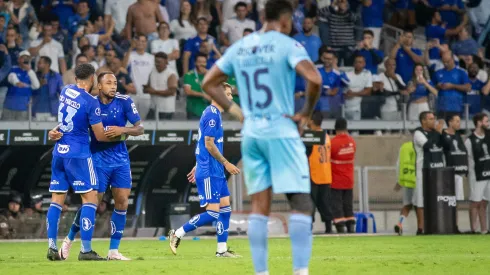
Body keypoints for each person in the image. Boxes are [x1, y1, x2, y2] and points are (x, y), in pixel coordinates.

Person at [201, 0, 322, 273]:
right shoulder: (286, 44)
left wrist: (235, 110)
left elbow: (208, 82)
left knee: (259, 206)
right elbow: (314, 79)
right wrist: (305, 113)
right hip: (281, 130)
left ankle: (261, 272)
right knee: (301, 202)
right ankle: (301, 271)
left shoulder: (240, 47)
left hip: (252, 133)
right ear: (286, 20)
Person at [50, 71, 144, 260]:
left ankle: (113, 251)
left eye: (115, 83)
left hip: (120, 160)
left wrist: (123, 130)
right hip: (96, 159)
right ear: (98, 86)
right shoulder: (90, 102)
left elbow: (140, 128)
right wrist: (54, 131)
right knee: (91, 203)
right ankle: (69, 241)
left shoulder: (125, 101)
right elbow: (72, 124)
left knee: (122, 202)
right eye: (109, 83)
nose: (113, 86)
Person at [45, 63, 113, 261]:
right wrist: (124, 133)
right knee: (91, 199)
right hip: (79, 154)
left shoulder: (65, 91)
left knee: (56, 200)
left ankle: (51, 246)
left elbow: (67, 120)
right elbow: (100, 136)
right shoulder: (91, 102)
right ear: (92, 79)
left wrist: (53, 131)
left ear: (76, 78)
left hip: (60, 151)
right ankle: (85, 250)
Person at [168, 83, 241, 257]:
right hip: (210, 171)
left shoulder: (215, 114)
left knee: (225, 209)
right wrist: (225, 163)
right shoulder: (211, 115)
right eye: (228, 95)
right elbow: (208, 144)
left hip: (213, 169)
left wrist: (197, 163)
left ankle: (221, 250)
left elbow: (203, 144)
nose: (231, 98)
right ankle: (178, 233)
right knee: (213, 213)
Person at [412, 111, 444, 235]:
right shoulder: (418, 133)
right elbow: (428, 145)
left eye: (434, 118)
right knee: (420, 200)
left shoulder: (436, 133)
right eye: (430, 119)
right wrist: (438, 131)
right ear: (423, 121)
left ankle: (435, 225)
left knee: (435, 199)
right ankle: (421, 228)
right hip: (423, 171)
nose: (434, 121)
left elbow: (445, 145)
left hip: (437, 169)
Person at [306, 111, 333, 233]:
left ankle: (308, 229)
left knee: (310, 205)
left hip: (314, 174)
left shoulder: (311, 137)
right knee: (325, 205)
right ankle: (329, 229)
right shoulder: (326, 136)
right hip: (326, 175)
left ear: (311, 121)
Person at [441, 114, 467, 232]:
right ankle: (446, 225)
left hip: (459, 172)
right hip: (448, 172)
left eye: (459, 121)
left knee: (456, 202)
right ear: (450, 122)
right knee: (447, 200)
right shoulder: (443, 135)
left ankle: (454, 226)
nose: (458, 123)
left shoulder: (458, 136)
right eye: (456, 121)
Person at [330, 118, 356, 233]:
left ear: (335, 129)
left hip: (336, 180)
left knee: (337, 205)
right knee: (348, 204)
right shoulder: (352, 142)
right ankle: (351, 227)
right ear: (346, 128)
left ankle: (340, 228)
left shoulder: (333, 142)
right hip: (349, 180)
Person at [465, 113, 490, 234]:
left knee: (485, 202)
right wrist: (471, 175)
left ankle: (484, 229)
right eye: (486, 121)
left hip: (488, 174)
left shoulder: (489, 136)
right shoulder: (470, 140)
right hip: (476, 175)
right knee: (475, 202)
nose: (488, 124)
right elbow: (469, 160)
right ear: (479, 123)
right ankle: (473, 229)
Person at [123, 34, 154, 119]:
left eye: (143, 41)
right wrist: (130, 48)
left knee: (142, 120)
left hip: (146, 94)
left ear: (146, 43)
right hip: (133, 93)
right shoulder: (130, 54)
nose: (140, 43)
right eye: (139, 41)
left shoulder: (151, 57)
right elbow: (123, 67)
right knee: (131, 120)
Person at [3, 50, 40, 121]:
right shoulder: (13, 69)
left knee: (20, 130)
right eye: (24, 57)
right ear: (19, 59)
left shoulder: (31, 72)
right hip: (9, 106)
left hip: (23, 107)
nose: (26, 60)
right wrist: (17, 82)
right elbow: (11, 76)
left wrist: (29, 70)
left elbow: (36, 86)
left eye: (27, 58)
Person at [433, 52, 471, 119]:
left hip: (457, 107)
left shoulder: (461, 72)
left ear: (453, 59)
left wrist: (452, 86)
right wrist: (438, 86)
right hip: (441, 107)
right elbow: (432, 87)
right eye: (444, 62)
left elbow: (468, 88)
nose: (446, 64)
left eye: (448, 61)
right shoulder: (438, 73)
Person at [146, 52, 178, 120]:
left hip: (166, 109)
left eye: (159, 62)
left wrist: (154, 91)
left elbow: (172, 92)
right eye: (155, 61)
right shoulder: (152, 71)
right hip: (153, 107)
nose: (157, 64)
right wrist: (146, 89)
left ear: (166, 62)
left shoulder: (171, 74)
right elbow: (148, 87)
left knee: (164, 130)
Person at [393, 141, 416, 235]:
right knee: (420, 206)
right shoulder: (424, 145)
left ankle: (400, 223)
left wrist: (399, 181)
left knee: (407, 205)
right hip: (419, 180)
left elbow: (398, 164)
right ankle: (421, 228)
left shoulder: (405, 147)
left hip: (407, 179)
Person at [33, 56, 63, 121]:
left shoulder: (56, 76)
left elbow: (62, 92)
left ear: (47, 64)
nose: (37, 65)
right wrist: (39, 85)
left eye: (40, 63)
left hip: (52, 111)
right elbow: (30, 92)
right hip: (37, 110)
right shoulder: (34, 75)